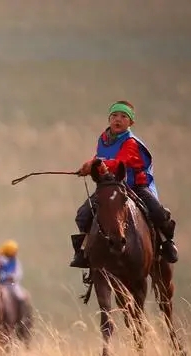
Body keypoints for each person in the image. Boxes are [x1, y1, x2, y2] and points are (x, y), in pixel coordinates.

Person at [70, 100, 179, 268]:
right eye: (114, 116)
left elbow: (120, 163)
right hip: (111, 187)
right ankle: (83, 251)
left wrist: (94, 164)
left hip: (135, 187)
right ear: (109, 119)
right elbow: (99, 158)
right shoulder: (103, 139)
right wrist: (88, 166)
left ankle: (167, 243)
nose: (118, 120)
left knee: (157, 211)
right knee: (83, 214)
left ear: (131, 122)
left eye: (123, 116)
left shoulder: (131, 143)